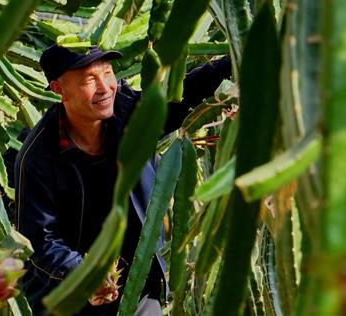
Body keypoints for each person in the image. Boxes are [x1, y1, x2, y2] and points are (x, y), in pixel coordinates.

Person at [14, 45, 231, 315]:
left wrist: (234, 60)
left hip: (140, 286)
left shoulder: (128, 112)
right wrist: (84, 274)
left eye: (107, 73)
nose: (105, 88)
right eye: (89, 80)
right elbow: (40, 240)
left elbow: (181, 97)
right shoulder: (38, 157)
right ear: (59, 89)